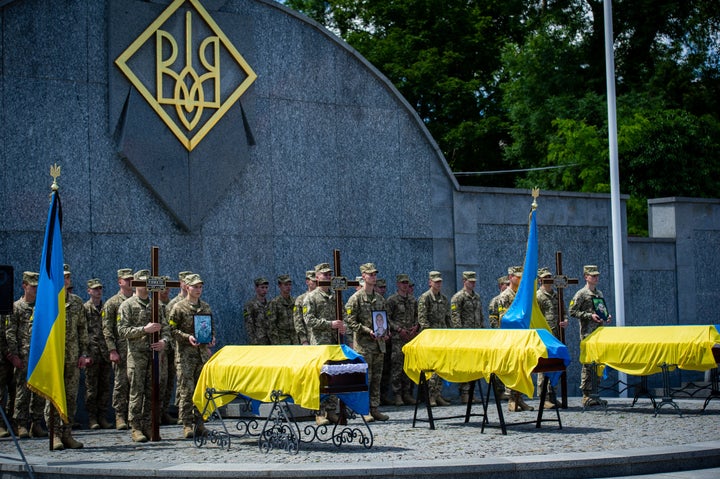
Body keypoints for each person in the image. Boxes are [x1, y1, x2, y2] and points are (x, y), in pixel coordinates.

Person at [118, 269, 170, 442]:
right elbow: (122, 330)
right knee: (136, 392)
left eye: (148, 282)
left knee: (153, 392)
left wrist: (164, 342)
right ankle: (136, 427)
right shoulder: (127, 305)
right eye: (143, 282)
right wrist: (144, 330)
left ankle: (149, 424)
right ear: (136, 283)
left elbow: (166, 329)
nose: (146, 286)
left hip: (155, 355)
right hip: (137, 355)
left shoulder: (158, 306)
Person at [47, 264, 91, 450]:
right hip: (54, 359)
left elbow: (83, 329)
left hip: (73, 358)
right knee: (54, 398)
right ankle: (54, 434)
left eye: (67, 278)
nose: (65, 281)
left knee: (71, 398)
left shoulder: (76, 302)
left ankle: (67, 433)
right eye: (62, 277)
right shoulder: (47, 301)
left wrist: (83, 353)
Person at [168, 273, 215, 439]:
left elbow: (210, 326)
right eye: (195, 286)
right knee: (187, 391)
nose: (198, 290)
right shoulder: (179, 308)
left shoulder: (205, 307)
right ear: (187, 287)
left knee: (201, 391)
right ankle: (187, 424)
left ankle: (200, 423)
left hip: (201, 355)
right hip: (185, 356)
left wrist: (211, 338)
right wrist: (186, 337)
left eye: (200, 287)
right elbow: (171, 330)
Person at [5, 271, 47, 439]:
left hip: (40, 355)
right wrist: (14, 355)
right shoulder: (16, 307)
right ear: (24, 286)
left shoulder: (42, 307)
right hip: (23, 356)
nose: (36, 289)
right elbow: (10, 333)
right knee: (22, 391)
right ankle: (20, 424)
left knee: (39, 391)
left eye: (38, 286)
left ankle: (36, 423)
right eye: (33, 286)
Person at [302, 262, 345, 425]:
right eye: (324, 274)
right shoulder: (311, 298)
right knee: (319, 377)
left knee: (333, 375)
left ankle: (331, 410)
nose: (328, 276)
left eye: (329, 274)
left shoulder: (335, 296)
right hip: (319, 343)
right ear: (317, 276)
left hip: (334, 343)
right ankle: (319, 412)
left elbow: (342, 315)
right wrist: (330, 324)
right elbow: (309, 320)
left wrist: (343, 326)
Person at [346, 263, 389, 422]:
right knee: (365, 379)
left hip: (379, 345)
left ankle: (374, 408)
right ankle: (364, 410)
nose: (373, 277)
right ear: (363, 276)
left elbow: (384, 318)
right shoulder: (355, 298)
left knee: (377, 379)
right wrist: (366, 330)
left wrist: (386, 331)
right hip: (364, 346)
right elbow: (350, 321)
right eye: (370, 274)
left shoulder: (379, 298)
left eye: (374, 274)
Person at [569, 265, 612, 407]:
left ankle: (595, 393)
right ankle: (586, 395)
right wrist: (589, 316)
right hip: (587, 333)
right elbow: (572, 311)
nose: (596, 278)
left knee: (598, 363)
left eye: (597, 275)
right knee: (588, 364)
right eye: (592, 275)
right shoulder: (581, 294)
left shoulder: (599, 293)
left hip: (599, 332)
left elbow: (601, 310)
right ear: (586, 277)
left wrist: (606, 316)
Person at [494, 266, 534, 412]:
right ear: (510, 277)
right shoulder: (505, 296)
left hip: (521, 337)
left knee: (522, 368)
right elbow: (504, 319)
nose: (521, 279)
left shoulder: (521, 295)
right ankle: (512, 399)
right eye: (518, 276)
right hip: (510, 337)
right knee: (511, 368)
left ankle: (519, 398)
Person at [102, 268, 134, 430]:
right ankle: (120, 415)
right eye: (126, 279)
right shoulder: (112, 303)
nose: (130, 282)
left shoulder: (138, 301)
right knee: (121, 383)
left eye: (132, 279)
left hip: (136, 350)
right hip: (121, 350)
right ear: (119, 281)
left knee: (135, 384)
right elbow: (107, 329)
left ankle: (133, 416)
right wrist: (112, 350)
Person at [417, 271, 451, 406]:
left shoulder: (444, 299)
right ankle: (430, 396)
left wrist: (450, 333)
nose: (438, 284)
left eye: (440, 282)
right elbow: (422, 319)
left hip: (442, 337)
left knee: (440, 367)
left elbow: (448, 317)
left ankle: (438, 394)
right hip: (430, 338)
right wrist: (430, 334)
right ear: (430, 282)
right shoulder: (425, 298)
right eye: (435, 282)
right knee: (431, 368)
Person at [450, 271, 485, 404]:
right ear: (464, 281)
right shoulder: (458, 297)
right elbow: (455, 316)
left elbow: (480, 315)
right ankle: (464, 393)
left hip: (476, 336)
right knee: (465, 365)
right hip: (465, 336)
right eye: (470, 281)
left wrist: (482, 329)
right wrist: (460, 333)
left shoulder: (476, 297)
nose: (473, 283)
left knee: (475, 365)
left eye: (474, 281)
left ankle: (472, 392)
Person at [535, 267, 567, 409]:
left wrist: (565, 320)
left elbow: (564, 311)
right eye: (545, 277)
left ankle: (553, 394)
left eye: (550, 277)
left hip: (557, 335)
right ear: (541, 280)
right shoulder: (538, 296)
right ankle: (543, 397)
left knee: (556, 364)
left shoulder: (556, 295)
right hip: (544, 336)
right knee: (544, 365)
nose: (549, 280)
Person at [83, 278, 113, 430]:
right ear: (89, 291)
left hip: (105, 353)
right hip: (91, 354)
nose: (98, 291)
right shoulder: (84, 308)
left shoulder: (106, 307)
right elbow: (81, 332)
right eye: (95, 289)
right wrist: (84, 354)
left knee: (105, 387)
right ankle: (92, 418)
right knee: (91, 389)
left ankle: (102, 417)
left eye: (100, 289)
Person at [385, 273, 418, 406]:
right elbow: (387, 318)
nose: (405, 285)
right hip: (398, 338)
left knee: (408, 366)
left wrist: (415, 327)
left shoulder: (412, 300)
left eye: (407, 283)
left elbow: (417, 316)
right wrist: (398, 329)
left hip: (410, 337)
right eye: (403, 283)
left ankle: (407, 393)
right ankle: (397, 394)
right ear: (398, 284)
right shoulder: (392, 300)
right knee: (397, 366)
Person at [157, 277, 176, 425]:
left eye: (168, 287)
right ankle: (155, 413)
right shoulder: (155, 305)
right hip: (159, 349)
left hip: (172, 346)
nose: (166, 290)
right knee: (159, 382)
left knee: (170, 381)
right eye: (163, 287)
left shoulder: (173, 304)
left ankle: (164, 411)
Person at [268, 275, 298, 344]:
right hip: (282, 339)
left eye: (289, 285)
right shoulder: (274, 303)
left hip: (295, 338)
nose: (288, 287)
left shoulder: (294, 301)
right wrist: (275, 342)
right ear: (279, 285)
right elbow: (272, 325)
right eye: (285, 285)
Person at [243, 277, 270, 345]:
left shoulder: (270, 304)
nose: (265, 290)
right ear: (256, 288)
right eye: (262, 287)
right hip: (259, 340)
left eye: (266, 287)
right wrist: (254, 341)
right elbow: (249, 325)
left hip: (270, 339)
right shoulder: (250, 305)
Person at [292, 270, 316, 345]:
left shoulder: (323, 297)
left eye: (317, 281)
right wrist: (303, 340)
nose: (315, 283)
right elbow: (298, 321)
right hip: (308, 338)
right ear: (307, 282)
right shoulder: (300, 299)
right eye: (313, 281)